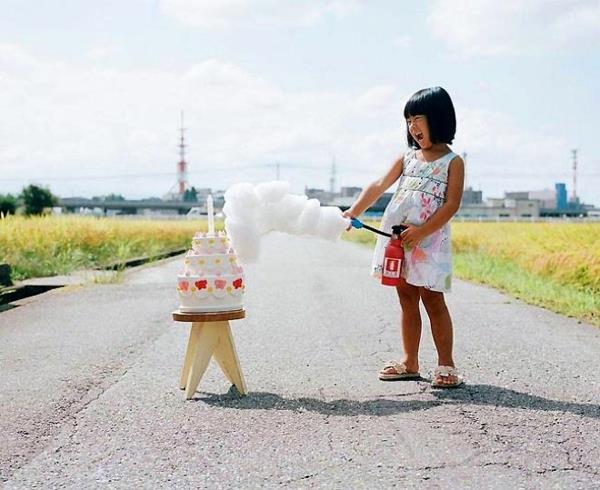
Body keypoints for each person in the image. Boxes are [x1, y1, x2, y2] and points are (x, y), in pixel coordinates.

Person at [344, 86, 465, 388]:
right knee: (406, 298)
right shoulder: (407, 158)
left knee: (433, 299)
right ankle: (410, 361)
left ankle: (446, 365)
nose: (412, 126)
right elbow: (378, 184)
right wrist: (353, 211)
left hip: (429, 242)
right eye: (408, 120)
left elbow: (452, 203)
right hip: (397, 241)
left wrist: (423, 231)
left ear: (438, 119)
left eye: (418, 118)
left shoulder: (453, 161)